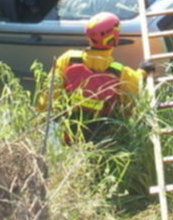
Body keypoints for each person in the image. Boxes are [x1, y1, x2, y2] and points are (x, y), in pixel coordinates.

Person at [41, 11, 153, 143]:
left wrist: (43, 121)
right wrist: (143, 71)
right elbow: (134, 96)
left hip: (66, 133)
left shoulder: (68, 58)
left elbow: (49, 93)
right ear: (114, 38)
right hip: (101, 138)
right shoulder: (121, 73)